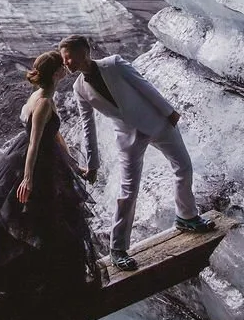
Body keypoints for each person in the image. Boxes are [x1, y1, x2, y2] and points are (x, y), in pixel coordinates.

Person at [0, 49, 101, 320]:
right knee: (44, 225)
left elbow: (53, 135)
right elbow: (33, 144)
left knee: (46, 227)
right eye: (62, 66)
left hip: (48, 161)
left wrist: (72, 163)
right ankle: (43, 295)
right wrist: (28, 178)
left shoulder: (42, 97)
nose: (67, 69)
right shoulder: (42, 101)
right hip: (38, 167)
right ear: (55, 73)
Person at [59, 34, 214, 274]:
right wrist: (93, 163)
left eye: (69, 57)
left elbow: (144, 85)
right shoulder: (79, 88)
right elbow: (88, 125)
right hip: (128, 137)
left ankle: (186, 217)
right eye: (64, 59)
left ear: (84, 53)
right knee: (128, 192)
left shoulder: (114, 64)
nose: (66, 63)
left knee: (183, 167)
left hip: (157, 122)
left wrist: (169, 111)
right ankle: (118, 249)